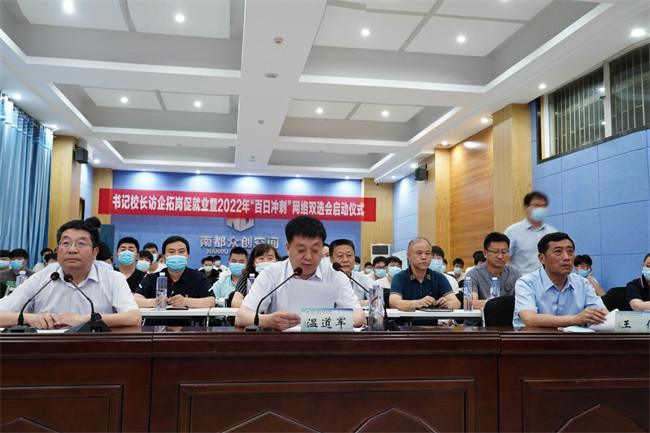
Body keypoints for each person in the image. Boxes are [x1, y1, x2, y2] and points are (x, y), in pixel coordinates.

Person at [0, 219, 141, 329]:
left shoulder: (113, 279)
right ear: (57, 250)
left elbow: (134, 318)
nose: (72, 249)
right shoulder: (41, 279)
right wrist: (29, 318)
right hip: (48, 350)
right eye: (66, 243)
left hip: (95, 350)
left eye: (81, 244)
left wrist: (86, 319)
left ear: (95, 252)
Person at [235, 216, 364, 330]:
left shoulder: (334, 274)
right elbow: (241, 316)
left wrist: (315, 321)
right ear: (288, 248)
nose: (308, 257)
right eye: (301, 250)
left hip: (324, 344)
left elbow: (359, 317)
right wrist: (268, 321)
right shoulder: (272, 274)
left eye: (315, 250)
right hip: (281, 345)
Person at [513, 232, 607, 328]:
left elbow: (604, 316)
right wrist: (575, 319)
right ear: (541, 258)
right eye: (558, 252)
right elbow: (529, 319)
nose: (566, 257)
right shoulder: (526, 283)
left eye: (570, 251)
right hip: (533, 337)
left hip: (573, 337)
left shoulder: (583, 283)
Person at [134, 236, 214, 308]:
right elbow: (135, 299)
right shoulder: (152, 278)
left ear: (187, 256)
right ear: (164, 258)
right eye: (171, 252)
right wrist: (153, 302)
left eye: (181, 251)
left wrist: (186, 301)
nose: (176, 255)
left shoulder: (199, 278)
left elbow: (211, 301)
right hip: (159, 320)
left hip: (190, 320)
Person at [389, 238, 460, 312]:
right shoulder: (399, 278)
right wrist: (418, 303)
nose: (424, 257)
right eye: (419, 253)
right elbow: (393, 303)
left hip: (433, 320)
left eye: (428, 253)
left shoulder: (439, 277)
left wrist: (448, 304)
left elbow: (457, 303)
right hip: (406, 319)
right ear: (409, 255)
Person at [505, 191, 558, 274]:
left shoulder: (552, 232)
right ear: (526, 208)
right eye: (536, 205)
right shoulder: (513, 231)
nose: (541, 209)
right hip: (521, 279)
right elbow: (506, 259)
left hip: (547, 279)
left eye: (544, 206)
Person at [467, 232, 522, 309]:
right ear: (485, 253)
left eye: (504, 252)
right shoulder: (473, 275)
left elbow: (524, 300)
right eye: (495, 252)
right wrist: (501, 304)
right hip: (482, 316)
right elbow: (470, 302)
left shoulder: (514, 274)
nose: (500, 256)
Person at [231, 243, 281, 308]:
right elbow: (235, 302)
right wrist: (261, 303)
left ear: (276, 260)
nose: (265, 261)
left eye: (270, 258)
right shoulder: (246, 279)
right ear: (254, 263)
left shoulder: (283, 278)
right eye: (261, 258)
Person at [329, 238, 373, 306]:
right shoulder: (325, 279)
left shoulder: (363, 279)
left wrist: (346, 305)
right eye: (340, 256)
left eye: (349, 255)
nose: (345, 260)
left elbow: (378, 300)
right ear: (331, 260)